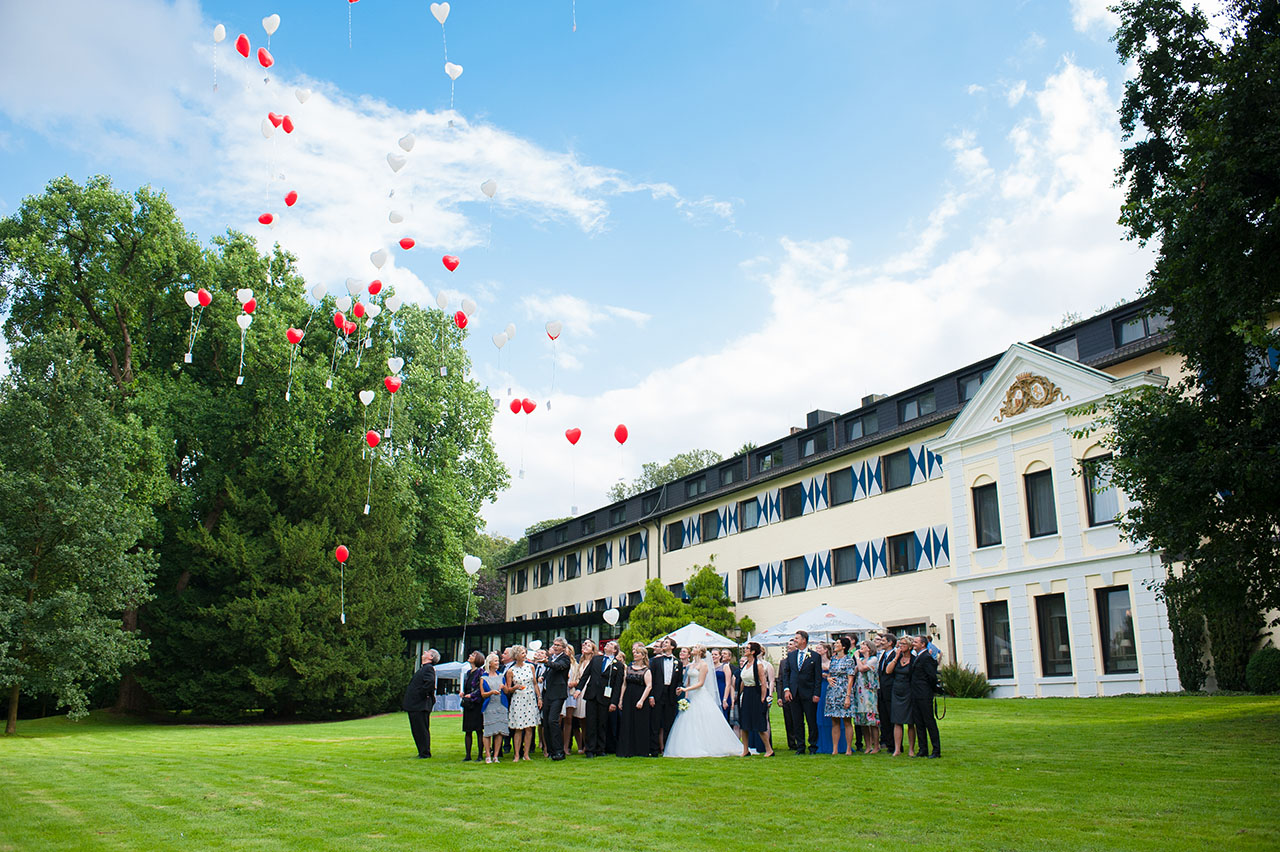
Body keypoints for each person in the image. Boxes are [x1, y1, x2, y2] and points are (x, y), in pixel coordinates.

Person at [664, 644, 744, 758]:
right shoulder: (691, 665)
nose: (693, 649)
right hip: (691, 696)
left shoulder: (704, 665)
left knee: (702, 720)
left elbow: (700, 683)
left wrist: (686, 689)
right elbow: (687, 682)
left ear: (700, 652)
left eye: (695, 648)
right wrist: (685, 697)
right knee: (687, 721)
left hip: (700, 694)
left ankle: (708, 745)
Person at [783, 630, 822, 754]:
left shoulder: (815, 656)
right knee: (797, 721)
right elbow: (787, 674)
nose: (795, 640)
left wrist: (816, 693)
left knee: (811, 720)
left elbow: (818, 677)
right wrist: (787, 689)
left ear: (803, 640)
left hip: (809, 693)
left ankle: (813, 745)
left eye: (797, 638)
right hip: (794, 693)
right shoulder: (791, 655)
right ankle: (800, 746)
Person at [577, 639, 618, 757]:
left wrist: (614, 702)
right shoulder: (596, 659)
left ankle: (600, 748)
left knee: (602, 723)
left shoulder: (617, 665)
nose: (607, 645)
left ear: (614, 650)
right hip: (592, 694)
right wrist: (579, 689)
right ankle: (589, 749)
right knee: (590, 722)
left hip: (605, 697)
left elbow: (617, 685)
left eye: (611, 644)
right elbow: (586, 675)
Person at [735, 642, 774, 757]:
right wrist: (739, 695)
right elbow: (743, 681)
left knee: (759, 723)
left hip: (756, 693)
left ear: (753, 652)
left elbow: (763, 682)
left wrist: (763, 697)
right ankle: (745, 749)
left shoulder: (758, 665)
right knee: (744, 723)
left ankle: (768, 749)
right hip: (746, 693)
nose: (745, 650)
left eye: (747, 648)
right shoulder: (746, 664)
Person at [504, 645, 541, 762]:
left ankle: (526, 754)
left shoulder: (531, 667)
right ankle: (516, 754)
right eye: (522, 653)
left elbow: (535, 683)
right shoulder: (511, 671)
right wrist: (515, 687)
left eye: (525, 653)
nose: (524, 655)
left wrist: (539, 697)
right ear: (516, 656)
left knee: (529, 728)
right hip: (518, 699)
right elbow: (507, 689)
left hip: (530, 699)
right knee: (518, 729)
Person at [617, 642, 653, 758]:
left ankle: (640, 749)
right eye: (635, 653)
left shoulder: (646, 670)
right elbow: (624, 684)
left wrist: (641, 700)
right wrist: (621, 699)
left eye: (638, 653)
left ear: (643, 655)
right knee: (627, 722)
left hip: (640, 697)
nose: (635, 654)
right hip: (628, 697)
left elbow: (649, 686)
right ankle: (627, 749)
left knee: (639, 723)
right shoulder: (628, 668)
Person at [648, 636, 683, 756]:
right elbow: (651, 679)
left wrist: (678, 687)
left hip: (670, 695)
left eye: (666, 643)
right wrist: (651, 696)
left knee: (669, 723)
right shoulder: (656, 661)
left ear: (672, 647)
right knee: (655, 723)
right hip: (658, 693)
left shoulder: (678, 663)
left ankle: (667, 749)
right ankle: (654, 749)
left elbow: (679, 680)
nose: (664, 644)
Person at [402, 648, 438, 759]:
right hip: (416, 704)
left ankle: (425, 753)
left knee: (421, 729)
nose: (424, 652)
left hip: (420, 705)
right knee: (417, 729)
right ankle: (422, 751)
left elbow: (430, 683)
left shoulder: (428, 669)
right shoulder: (424, 669)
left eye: (427, 652)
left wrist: (420, 694)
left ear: (431, 657)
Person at [909, 635, 941, 758]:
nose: (914, 643)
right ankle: (923, 749)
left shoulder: (926, 657)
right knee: (919, 723)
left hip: (924, 694)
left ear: (923, 644)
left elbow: (931, 676)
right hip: (916, 693)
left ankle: (936, 750)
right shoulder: (918, 657)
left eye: (916, 642)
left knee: (929, 721)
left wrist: (931, 689)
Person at [541, 637, 571, 760]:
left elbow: (559, 667)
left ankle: (559, 751)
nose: (555, 646)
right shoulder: (552, 658)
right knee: (546, 722)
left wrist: (547, 662)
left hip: (558, 694)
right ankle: (551, 750)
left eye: (558, 645)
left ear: (563, 648)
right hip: (548, 693)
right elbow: (550, 671)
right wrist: (543, 676)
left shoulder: (565, 658)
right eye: (554, 644)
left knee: (553, 721)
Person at [825, 637, 855, 754]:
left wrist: (848, 696)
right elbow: (830, 674)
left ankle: (848, 748)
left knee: (847, 721)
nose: (835, 645)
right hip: (833, 692)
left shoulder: (849, 660)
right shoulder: (833, 660)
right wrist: (828, 678)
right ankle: (835, 749)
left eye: (837, 643)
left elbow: (850, 678)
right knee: (835, 721)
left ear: (843, 646)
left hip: (844, 691)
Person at [886, 637, 914, 757]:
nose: (901, 646)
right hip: (897, 690)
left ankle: (911, 749)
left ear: (909, 646)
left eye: (903, 644)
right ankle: (897, 749)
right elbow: (888, 671)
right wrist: (896, 657)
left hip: (909, 691)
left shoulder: (914, 660)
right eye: (899, 644)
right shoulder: (896, 659)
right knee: (897, 720)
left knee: (910, 721)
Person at [853, 639, 881, 754]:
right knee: (863, 721)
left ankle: (876, 745)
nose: (861, 647)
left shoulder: (873, 659)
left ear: (869, 648)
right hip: (860, 692)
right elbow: (854, 671)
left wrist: (857, 658)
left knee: (872, 721)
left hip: (869, 692)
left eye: (864, 645)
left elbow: (862, 669)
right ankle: (868, 745)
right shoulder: (862, 660)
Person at [480, 653, 507, 763]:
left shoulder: (501, 676)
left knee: (499, 731)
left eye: (498, 661)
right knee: (488, 731)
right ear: (490, 663)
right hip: (489, 706)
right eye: (495, 661)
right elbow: (482, 694)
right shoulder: (483, 678)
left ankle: (496, 755)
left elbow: (506, 690)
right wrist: (491, 692)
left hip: (501, 705)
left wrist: (503, 687)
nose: (498, 663)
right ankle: (487, 754)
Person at [461, 650, 485, 761]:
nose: (470, 655)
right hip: (468, 704)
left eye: (473, 655)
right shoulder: (468, 673)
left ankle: (480, 754)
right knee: (468, 730)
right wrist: (464, 694)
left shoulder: (480, 672)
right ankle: (468, 755)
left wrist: (472, 695)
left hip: (476, 704)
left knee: (478, 730)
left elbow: (480, 688)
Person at [559, 642, 583, 755]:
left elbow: (580, 678)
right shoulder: (559, 662)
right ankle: (557, 744)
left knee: (569, 719)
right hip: (560, 692)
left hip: (571, 692)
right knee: (559, 718)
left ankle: (565, 746)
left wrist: (574, 683)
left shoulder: (575, 665)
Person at [875, 632, 897, 753]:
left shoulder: (895, 654)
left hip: (891, 690)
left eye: (883, 641)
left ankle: (894, 744)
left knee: (891, 717)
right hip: (882, 691)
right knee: (884, 718)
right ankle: (888, 743)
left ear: (890, 643)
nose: (881, 642)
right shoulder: (883, 654)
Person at [777, 637, 798, 752]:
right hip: (785, 694)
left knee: (797, 719)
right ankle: (791, 743)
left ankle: (799, 740)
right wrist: (779, 696)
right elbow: (780, 679)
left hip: (797, 693)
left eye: (791, 644)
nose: (789, 646)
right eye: (788, 645)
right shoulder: (783, 662)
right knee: (788, 720)